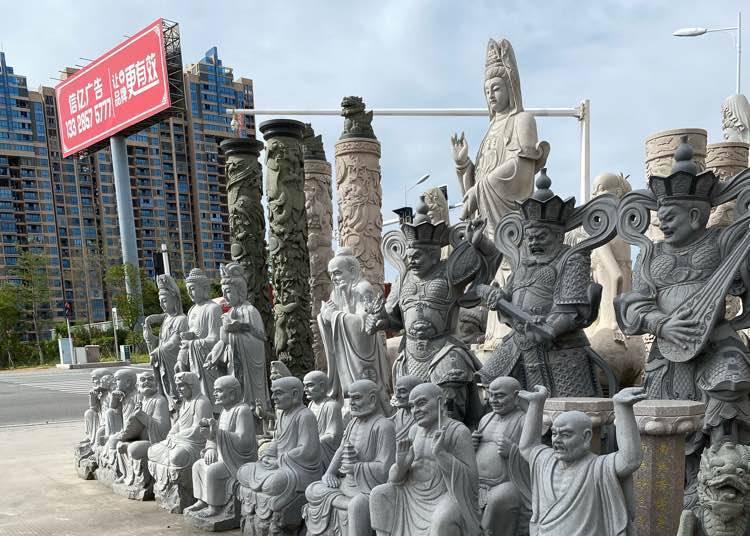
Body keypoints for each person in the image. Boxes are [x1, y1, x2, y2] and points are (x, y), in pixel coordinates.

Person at [518, 385, 645, 535]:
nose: (557, 440)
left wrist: (622, 408)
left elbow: (630, 460)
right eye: (554, 434)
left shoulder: (598, 468)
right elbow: (528, 446)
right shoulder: (545, 461)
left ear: (586, 437)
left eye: (566, 435)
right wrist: (536, 404)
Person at [369, 383, 481, 536]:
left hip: (445, 494)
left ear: (440, 402)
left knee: (442, 519)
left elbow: (472, 480)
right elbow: (395, 479)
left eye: (421, 403)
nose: (416, 410)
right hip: (411, 493)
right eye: (412, 406)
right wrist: (401, 465)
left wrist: (441, 454)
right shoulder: (414, 431)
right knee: (379, 495)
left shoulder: (458, 431)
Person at [304, 379, 396, 536]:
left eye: (357, 398)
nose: (351, 403)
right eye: (350, 398)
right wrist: (329, 473)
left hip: (367, 488)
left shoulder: (384, 426)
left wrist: (355, 468)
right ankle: (342, 505)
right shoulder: (353, 423)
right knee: (312, 489)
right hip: (347, 483)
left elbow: (385, 469)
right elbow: (341, 449)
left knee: (357, 505)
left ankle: (347, 506)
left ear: (373, 399)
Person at [237, 377, 322, 535]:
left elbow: (307, 449)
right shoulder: (282, 414)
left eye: (278, 393)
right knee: (243, 470)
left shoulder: (305, 416)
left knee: (274, 483)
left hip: (298, 470)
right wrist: (267, 455)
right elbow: (277, 440)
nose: (273, 397)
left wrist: (279, 461)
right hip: (279, 465)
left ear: (295, 394)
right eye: (273, 393)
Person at [318, 247, 392, 416]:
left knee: (367, 384)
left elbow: (362, 325)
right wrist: (324, 317)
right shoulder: (336, 292)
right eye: (331, 275)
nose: (334, 278)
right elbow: (331, 317)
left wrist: (333, 316)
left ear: (352, 271)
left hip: (363, 351)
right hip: (345, 352)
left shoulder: (363, 288)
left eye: (337, 273)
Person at [184, 376, 257, 527]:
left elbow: (244, 441)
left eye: (219, 391)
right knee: (198, 465)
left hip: (238, 459)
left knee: (213, 471)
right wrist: (211, 446)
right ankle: (202, 500)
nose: (214, 394)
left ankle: (214, 507)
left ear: (232, 393)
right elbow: (216, 436)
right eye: (215, 391)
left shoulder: (242, 411)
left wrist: (217, 433)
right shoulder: (224, 411)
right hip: (224, 455)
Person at [206, 262, 270, 420]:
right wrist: (214, 353)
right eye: (223, 292)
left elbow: (261, 338)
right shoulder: (228, 313)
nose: (225, 296)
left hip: (248, 364)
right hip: (234, 362)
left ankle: (254, 415)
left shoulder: (250, 311)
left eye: (228, 291)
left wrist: (242, 328)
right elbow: (223, 341)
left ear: (240, 291)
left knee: (250, 396)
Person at [148, 371, 213, 512]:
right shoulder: (185, 402)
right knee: (152, 450)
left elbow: (199, 430)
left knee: (176, 457)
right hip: (179, 441)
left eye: (182, 386)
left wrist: (176, 437)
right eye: (177, 386)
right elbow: (178, 423)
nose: (178, 389)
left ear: (192, 385)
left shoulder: (202, 402)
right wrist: (171, 435)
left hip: (194, 445)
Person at [473, 377, 527, 536]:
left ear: (516, 396)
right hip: (478, 483)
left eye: (500, 395)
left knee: (500, 498)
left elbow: (535, 456)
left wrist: (513, 451)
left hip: (507, 484)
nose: (493, 400)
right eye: (491, 395)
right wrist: (472, 445)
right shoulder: (485, 419)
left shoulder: (524, 420)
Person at [112, 370, 171, 494]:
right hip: (140, 438)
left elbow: (163, 430)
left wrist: (142, 416)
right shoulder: (141, 401)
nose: (146, 382)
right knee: (119, 444)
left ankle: (143, 483)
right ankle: (127, 475)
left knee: (133, 449)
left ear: (156, 383)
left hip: (154, 441)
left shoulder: (159, 401)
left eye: (150, 379)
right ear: (138, 385)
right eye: (143, 380)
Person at [178, 268, 223, 412]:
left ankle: (213, 413)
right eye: (188, 290)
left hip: (206, 360)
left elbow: (216, 338)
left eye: (192, 288)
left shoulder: (213, 308)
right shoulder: (191, 310)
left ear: (204, 288)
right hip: (192, 357)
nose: (190, 293)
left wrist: (193, 343)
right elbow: (193, 333)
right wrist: (188, 339)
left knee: (208, 393)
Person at [144, 274, 188, 408]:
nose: (161, 304)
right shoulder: (166, 319)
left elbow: (174, 342)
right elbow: (161, 342)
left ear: (174, 299)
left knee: (177, 391)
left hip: (173, 362)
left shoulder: (181, 319)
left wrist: (158, 351)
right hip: (163, 362)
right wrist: (151, 338)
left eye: (164, 300)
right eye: (160, 301)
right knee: (165, 389)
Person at [303, 370, 343, 470]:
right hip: (311, 446)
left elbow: (334, 436)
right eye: (304, 386)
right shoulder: (311, 404)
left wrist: (313, 442)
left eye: (309, 385)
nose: (305, 389)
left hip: (324, 450)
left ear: (322, 386)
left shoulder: (332, 406)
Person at [389, 375, 422, 441]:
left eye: (402, 392)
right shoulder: (400, 412)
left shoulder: (420, 415)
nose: (397, 396)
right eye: (396, 391)